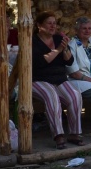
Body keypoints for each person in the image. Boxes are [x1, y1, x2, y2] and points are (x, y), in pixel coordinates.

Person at [32, 12, 84, 149]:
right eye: (49, 23)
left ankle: (74, 133)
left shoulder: (57, 39)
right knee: (52, 96)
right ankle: (58, 135)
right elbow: (42, 61)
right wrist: (59, 49)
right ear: (39, 25)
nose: (53, 26)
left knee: (75, 95)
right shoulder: (33, 41)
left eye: (54, 23)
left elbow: (69, 61)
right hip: (38, 79)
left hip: (59, 79)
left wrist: (65, 48)